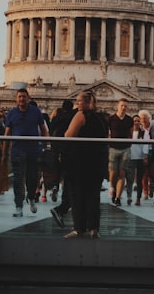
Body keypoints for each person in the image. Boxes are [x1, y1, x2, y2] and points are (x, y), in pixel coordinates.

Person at [63, 90, 108, 238]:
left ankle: (79, 228)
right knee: (93, 196)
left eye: (79, 101)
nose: (77, 104)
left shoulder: (81, 115)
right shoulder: (101, 118)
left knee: (78, 195)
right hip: (98, 160)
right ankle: (94, 229)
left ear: (87, 102)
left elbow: (69, 136)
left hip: (81, 160)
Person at [4, 88, 48, 217]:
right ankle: (19, 206)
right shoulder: (11, 113)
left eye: (24, 96)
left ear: (28, 98)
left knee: (32, 177)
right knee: (17, 179)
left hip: (33, 150)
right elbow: (7, 132)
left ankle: (31, 198)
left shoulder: (36, 111)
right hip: (17, 149)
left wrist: (47, 144)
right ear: (16, 99)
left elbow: (43, 129)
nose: (22, 99)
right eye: (19, 97)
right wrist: (4, 150)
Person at [49, 99, 76, 228]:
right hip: (69, 153)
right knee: (72, 182)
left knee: (66, 179)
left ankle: (55, 187)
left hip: (57, 152)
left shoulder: (55, 119)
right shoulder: (72, 117)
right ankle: (63, 207)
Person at [107, 98, 134, 206]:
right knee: (113, 174)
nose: (124, 108)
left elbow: (131, 134)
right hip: (113, 148)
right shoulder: (111, 119)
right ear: (117, 106)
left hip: (125, 148)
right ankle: (112, 187)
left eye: (125, 106)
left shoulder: (129, 120)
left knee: (122, 173)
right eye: (122, 105)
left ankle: (118, 197)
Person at [127, 113, 149, 206]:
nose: (136, 122)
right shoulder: (128, 132)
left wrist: (145, 156)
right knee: (129, 179)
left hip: (140, 158)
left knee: (139, 180)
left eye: (138, 121)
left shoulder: (144, 133)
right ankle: (129, 196)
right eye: (134, 121)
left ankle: (138, 198)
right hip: (130, 157)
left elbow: (146, 145)